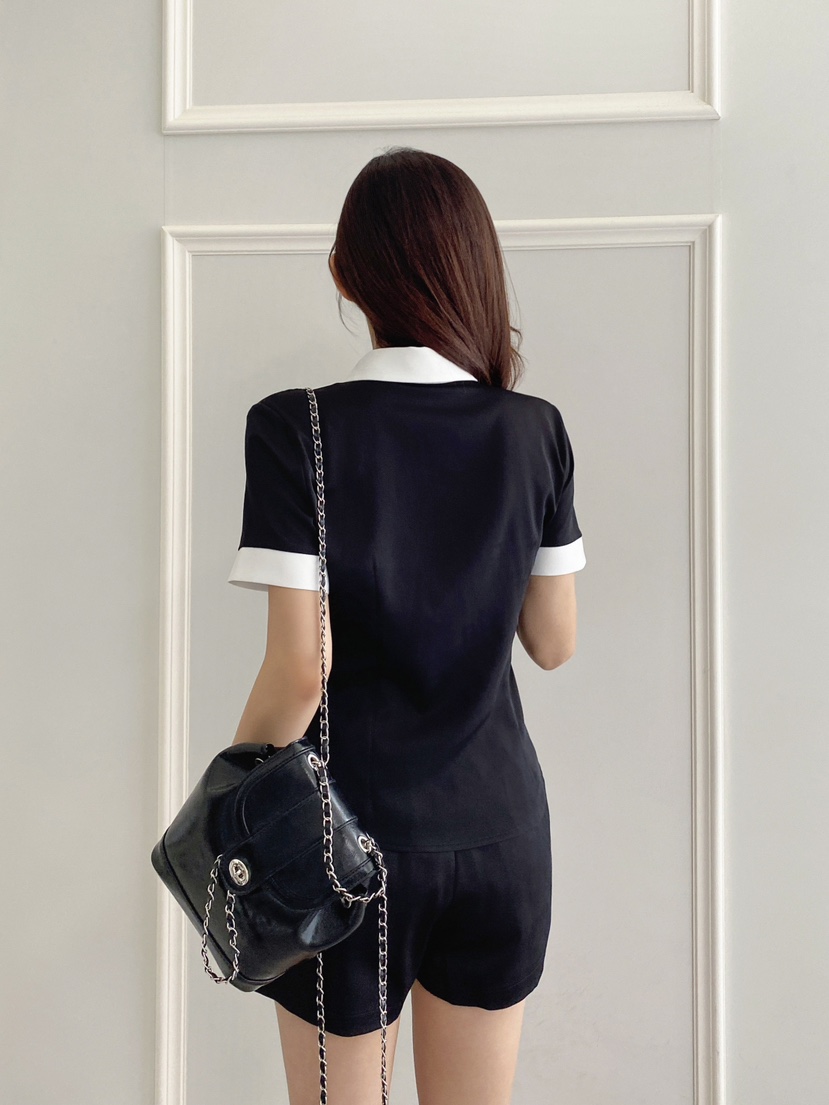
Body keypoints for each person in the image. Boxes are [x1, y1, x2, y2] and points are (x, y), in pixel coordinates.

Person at [226, 147, 586, 1105]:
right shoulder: (534, 429)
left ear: (345, 274)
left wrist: (228, 804)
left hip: (348, 849)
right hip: (502, 837)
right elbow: (553, 643)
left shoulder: (296, 428)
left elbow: (300, 671)